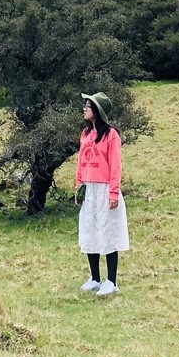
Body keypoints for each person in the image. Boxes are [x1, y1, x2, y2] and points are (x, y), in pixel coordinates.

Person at [74, 91, 129, 297]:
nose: (84, 108)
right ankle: (95, 278)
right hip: (89, 189)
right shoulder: (86, 135)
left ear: (96, 110)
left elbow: (115, 166)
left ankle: (111, 281)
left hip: (105, 189)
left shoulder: (111, 135)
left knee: (108, 232)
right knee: (90, 230)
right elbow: (81, 163)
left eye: (88, 105)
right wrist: (79, 188)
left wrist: (113, 193)